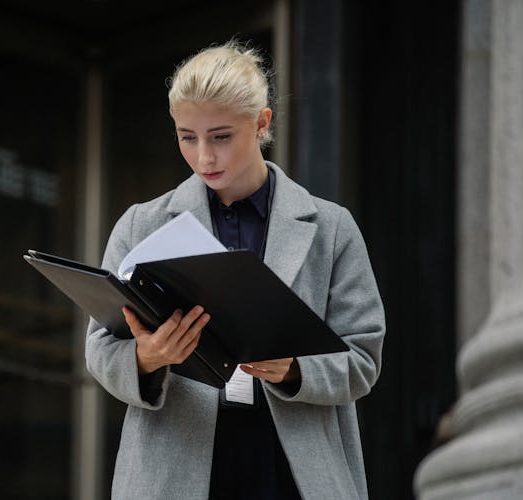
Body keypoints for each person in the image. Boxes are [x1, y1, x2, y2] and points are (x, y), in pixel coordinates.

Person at [85, 40, 385, 500]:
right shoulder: (140, 224)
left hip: (294, 467)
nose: (204, 156)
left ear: (262, 123)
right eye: (188, 137)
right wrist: (148, 358)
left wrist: (294, 370)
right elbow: (101, 349)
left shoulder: (331, 227)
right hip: (175, 468)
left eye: (221, 136)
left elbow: (363, 359)